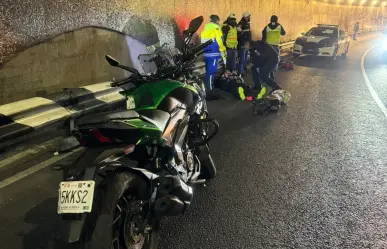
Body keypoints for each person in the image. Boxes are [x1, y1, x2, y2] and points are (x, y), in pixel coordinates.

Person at [200, 15, 227, 100]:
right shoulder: (216, 28)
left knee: (208, 72)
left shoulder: (205, 29)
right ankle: (210, 91)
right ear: (217, 21)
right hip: (213, 54)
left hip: (206, 54)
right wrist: (223, 51)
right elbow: (219, 41)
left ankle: (210, 88)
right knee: (211, 72)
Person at [261, 15, 286, 80]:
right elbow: (283, 33)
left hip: (268, 46)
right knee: (276, 60)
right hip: (275, 46)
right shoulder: (279, 26)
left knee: (268, 60)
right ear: (277, 20)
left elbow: (263, 33)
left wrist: (264, 41)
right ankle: (272, 73)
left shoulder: (267, 26)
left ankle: (268, 74)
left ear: (270, 20)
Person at [237, 12, 252, 76]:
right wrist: (243, 41)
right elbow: (238, 30)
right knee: (242, 59)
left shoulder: (247, 23)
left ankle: (242, 70)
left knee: (245, 58)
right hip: (243, 44)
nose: (249, 17)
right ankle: (240, 71)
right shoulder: (242, 22)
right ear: (246, 17)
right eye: (249, 16)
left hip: (246, 43)